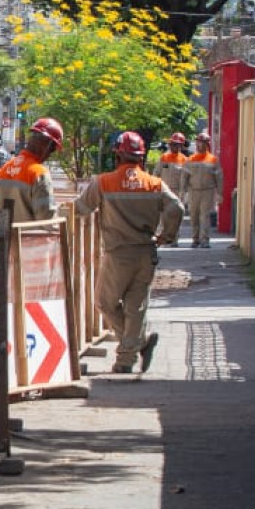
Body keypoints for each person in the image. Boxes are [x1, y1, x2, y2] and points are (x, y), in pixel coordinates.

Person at [72, 131, 184, 374]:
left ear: (118, 155)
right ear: (140, 157)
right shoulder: (154, 183)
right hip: (146, 252)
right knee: (136, 307)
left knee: (105, 302)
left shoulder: (104, 182)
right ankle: (128, 356)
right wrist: (166, 236)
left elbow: (79, 209)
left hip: (118, 253)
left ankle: (133, 349)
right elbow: (176, 207)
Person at [0, 116, 63, 223]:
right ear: (45, 144)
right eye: (52, 149)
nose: (50, 154)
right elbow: (47, 219)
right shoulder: (38, 172)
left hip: (4, 238)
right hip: (30, 238)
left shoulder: (6, 168)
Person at [183, 131, 221, 247]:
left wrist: (220, 193)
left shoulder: (213, 160)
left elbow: (219, 177)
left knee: (205, 216)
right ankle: (195, 239)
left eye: (203, 142)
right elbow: (185, 177)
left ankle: (204, 240)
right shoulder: (190, 159)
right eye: (199, 142)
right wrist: (183, 192)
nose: (200, 145)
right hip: (193, 191)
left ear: (207, 144)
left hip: (207, 191)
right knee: (194, 215)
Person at [157, 133, 191, 243]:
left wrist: (185, 193)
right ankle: (164, 237)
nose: (175, 147)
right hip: (164, 191)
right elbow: (156, 173)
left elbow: (187, 178)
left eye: (177, 145)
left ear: (181, 146)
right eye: (173, 144)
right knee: (163, 215)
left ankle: (174, 239)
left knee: (175, 215)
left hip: (178, 191)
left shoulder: (185, 160)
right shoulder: (164, 158)